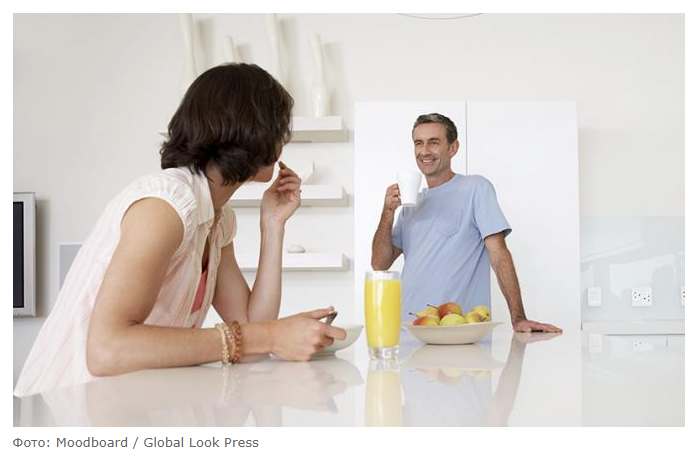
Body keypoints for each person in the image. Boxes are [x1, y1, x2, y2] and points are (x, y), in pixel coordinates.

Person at [14, 63, 346, 398]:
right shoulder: (165, 206)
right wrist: (271, 336)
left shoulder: (217, 220)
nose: (283, 137)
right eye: (278, 125)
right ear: (251, 129)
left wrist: (272, 225)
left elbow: (252, 335)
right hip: (64, 408)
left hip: (123, 407)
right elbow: (106, 351)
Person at [371, 113, 561, 333]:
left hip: (460, 330)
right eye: (418, 143)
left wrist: (518, 318)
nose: (425, 151)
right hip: (410, 329)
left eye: (434, 142)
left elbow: (499, 255)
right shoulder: (410, 205)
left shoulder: (476, 188)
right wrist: (387, 212)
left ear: (453, 148)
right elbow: (379, 264)